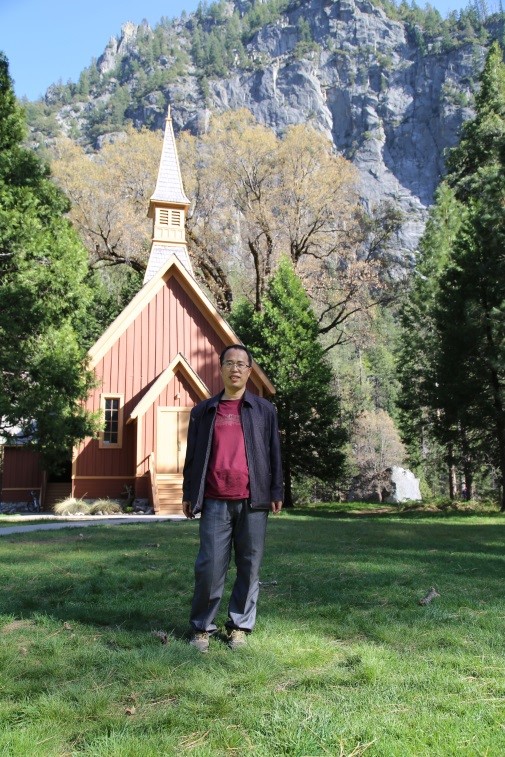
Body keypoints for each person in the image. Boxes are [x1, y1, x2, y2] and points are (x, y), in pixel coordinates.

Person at [182, 344, 283, 651]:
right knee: (210, 566)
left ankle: (239, 626)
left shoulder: (264, 411)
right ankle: (202, 627)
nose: (235, 369)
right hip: (215, 499)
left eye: (241, 364)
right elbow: (193, 456)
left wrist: (276, 490)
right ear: (221, 368)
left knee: (249, 566)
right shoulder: (203, 411)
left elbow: (274, 453)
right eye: (229, 363)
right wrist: (189, 492)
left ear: (249, 371)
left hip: (254, 500)